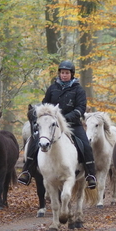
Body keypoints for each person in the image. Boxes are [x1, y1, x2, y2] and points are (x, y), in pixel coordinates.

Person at [18, 61, 97, 189]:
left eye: (66, 73)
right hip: (51, 125)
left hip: (72, 125)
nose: (64, 75)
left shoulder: (79, 90)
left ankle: (90, 175)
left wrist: (64, 118)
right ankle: (27, 171)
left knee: (86, 145)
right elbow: (45, 104)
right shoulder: (52, 88)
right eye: (62, 73)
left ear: (71, 74)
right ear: (59, 74)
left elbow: (80, 108)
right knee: (34, 141)